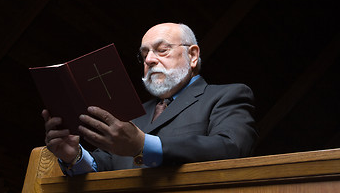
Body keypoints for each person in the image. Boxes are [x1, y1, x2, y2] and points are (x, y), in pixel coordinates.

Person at [42, 22, 258, 176]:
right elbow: (108, 162)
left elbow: (231, 148)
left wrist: (144, 145)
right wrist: (74, 156)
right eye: (144, 54)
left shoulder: (227, 95)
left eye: (162, 50)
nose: (150, 59)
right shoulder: (136, 111)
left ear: (192, 55)